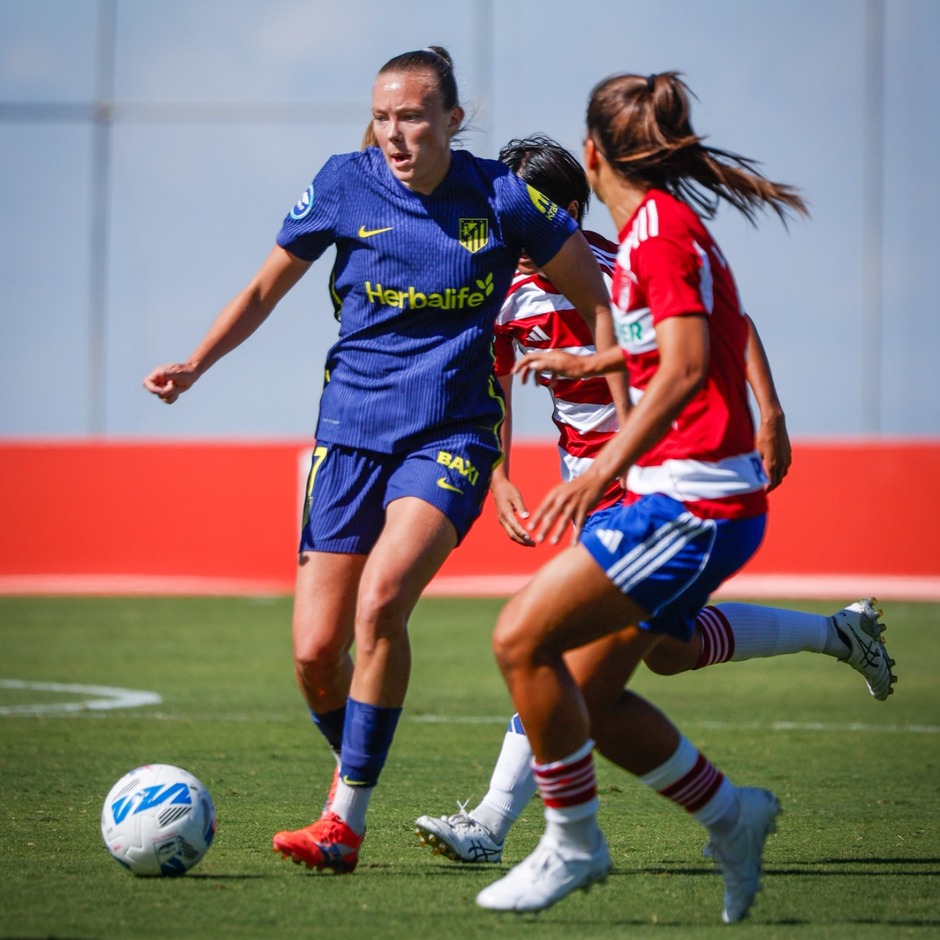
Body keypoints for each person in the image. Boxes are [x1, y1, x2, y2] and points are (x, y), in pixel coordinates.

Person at [142, 46, 619, 874]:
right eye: (384, 117)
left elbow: (599, 295)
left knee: (383, 601)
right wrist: (195, 364)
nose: (395, 134)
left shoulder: (505, 196)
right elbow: (262, 292)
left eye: (413, 116)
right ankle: (356, 762)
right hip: (350, 435)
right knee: (314, 652)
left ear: (452, 121)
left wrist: (605, 374)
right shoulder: (341, 182)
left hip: (452, 437)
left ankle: (343, 823)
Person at [472, 72, 893, 922]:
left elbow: (693, 368)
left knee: (522, 641)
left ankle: (569, 842)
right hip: (694, 498)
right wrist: (593, 366)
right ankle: (735, 816)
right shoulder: (655, 232)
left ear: (592, 157)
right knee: (591, 695)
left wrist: (598, 468)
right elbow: (668, 348)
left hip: (690, 501)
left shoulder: (653, 238)